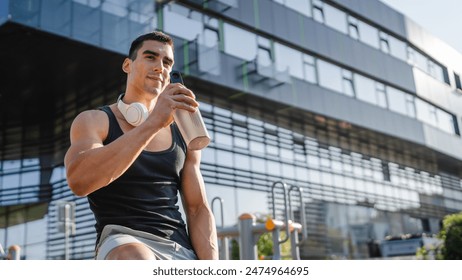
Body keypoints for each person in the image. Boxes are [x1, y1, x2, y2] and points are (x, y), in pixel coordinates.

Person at [64, 31, 218, 260]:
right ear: (127, 65)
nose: (160, 67)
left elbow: (197, 209)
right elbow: (79, 180)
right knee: (135, 257)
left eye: (167, 62)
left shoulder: (184, 132)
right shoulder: (94, 121)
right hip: (123, 243)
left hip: (179, 249)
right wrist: (153, 122)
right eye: (150, 57)